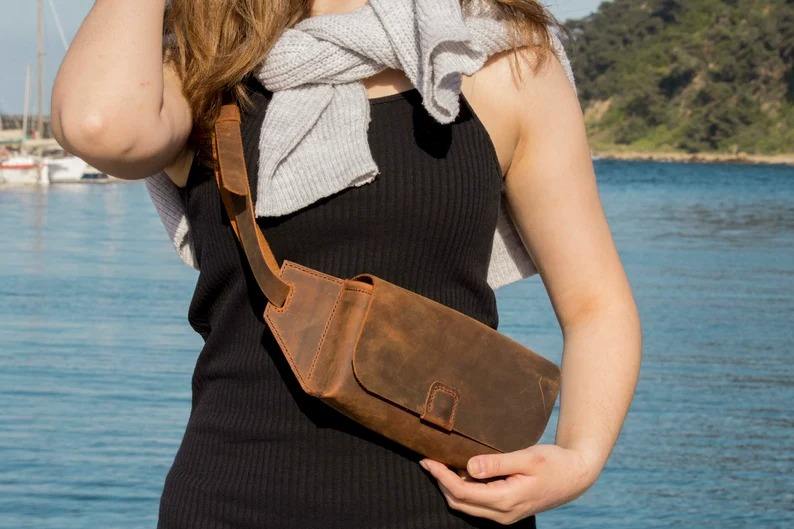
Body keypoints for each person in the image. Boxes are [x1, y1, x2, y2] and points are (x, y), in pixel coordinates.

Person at [51, 0, 642, 527]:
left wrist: (580, 458)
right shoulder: (206, 67)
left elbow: (595, 304)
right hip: (230, 499)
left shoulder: (494, 58)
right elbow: (99, 126)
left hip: (448, 508)